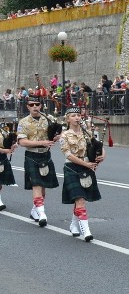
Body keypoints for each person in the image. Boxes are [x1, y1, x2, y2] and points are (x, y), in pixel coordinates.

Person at [59, 107, 105, 241]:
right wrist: (86, 164)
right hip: (72, 167)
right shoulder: (64, 135)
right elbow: (68, 154)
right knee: (79, 199)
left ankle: (74, 224)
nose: (77, 117)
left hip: (86, 167)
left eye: (78, 115)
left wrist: (102, 156)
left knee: (81, 199)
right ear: (67, 119)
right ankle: (86, 231)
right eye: (73, 115)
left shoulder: (88, 133)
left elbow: (99, 147)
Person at [17, 97, 61, 226]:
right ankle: (42, 214)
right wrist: (42, 142)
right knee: (36, 185)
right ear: (28, 107)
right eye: (32, 105)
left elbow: (55, 134)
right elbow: (22, 142)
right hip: (32, 155)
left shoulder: (48, 119)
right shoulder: (23, 122)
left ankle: (34, 210)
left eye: (37, 104)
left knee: (42, 188)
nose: (35, 106)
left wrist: (57, 137)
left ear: (40, 106)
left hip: (45, 155)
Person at [0, 123, 17, 211]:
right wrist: (3, 150)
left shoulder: (3, 130)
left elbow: (7, 142)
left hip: (2, 158)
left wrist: (13, 145)